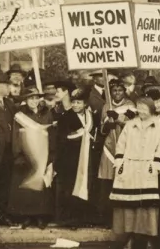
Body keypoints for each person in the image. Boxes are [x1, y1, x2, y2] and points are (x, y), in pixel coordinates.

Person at [109, 97, 160, 249]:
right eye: (139, 108)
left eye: (144, 108)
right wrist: (120, 163)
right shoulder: (130, 125)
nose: (140, 111)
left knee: (146, 205)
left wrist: (155, 165)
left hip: (147, 168)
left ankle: (147, 238)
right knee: (129, 204)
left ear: (151, 109)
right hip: (129, 167)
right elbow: (121, 145)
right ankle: (130, 237)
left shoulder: (159, 127)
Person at [8, 87, 56, 229]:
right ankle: (27, 216)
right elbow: (16, 136)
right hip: (26, 154)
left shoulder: (47, 113)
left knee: (42, 185)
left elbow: (52, 134)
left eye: (36, 98)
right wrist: (19, 155)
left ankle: (41, 216)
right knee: (26, 187)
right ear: (25, 100)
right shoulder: (20, 115)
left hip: (43, 154)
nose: (34, 101)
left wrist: (52, 154)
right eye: (31, 98)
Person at [56, 88, 102, 228]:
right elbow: (62, 138)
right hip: (71, 158)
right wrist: (79, 137)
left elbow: (96, 133)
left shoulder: (91, 116)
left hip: (88, 156)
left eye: (79, 102)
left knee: (87, 185)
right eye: (73, 102)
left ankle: (84, 218)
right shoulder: (65, 117)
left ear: (85, 104)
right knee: (71, 187)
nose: (75, 105)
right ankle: (70, 220)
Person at [97, 79, 137, 227]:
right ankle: (107, 218)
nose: (117, 93)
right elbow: (101, 128)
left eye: (120, 90)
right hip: (109, 147)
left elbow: (134, 125)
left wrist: (119, 120)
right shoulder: (106, 105)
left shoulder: (130, 105)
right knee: (108, 182)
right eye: (114, 90)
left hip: (125, 147)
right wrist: (108, 124)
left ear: (124, 91)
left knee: (123, 182)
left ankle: (123, 219)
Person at [0, 72, 15, 229]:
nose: (10, 87)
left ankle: (1, 215)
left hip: (8, 152)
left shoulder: (9, 104)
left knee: (4, 185)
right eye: (6, 85)